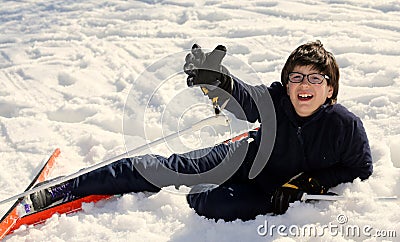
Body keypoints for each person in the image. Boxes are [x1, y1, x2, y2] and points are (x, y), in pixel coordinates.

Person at [28, 40, 373, 221]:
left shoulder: (345, 126)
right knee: (163, 169)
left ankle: (210, 191)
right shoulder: (273, 101)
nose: (304, 85)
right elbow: (243, 95)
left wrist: (310, 181)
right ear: (286, 85)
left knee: (210, 203)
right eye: (296, 76)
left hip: (269, 191)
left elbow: (360, 168)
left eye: (316, 78)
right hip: (242, 157)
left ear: (330, 89)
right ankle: (63, 188)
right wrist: (219, 80)